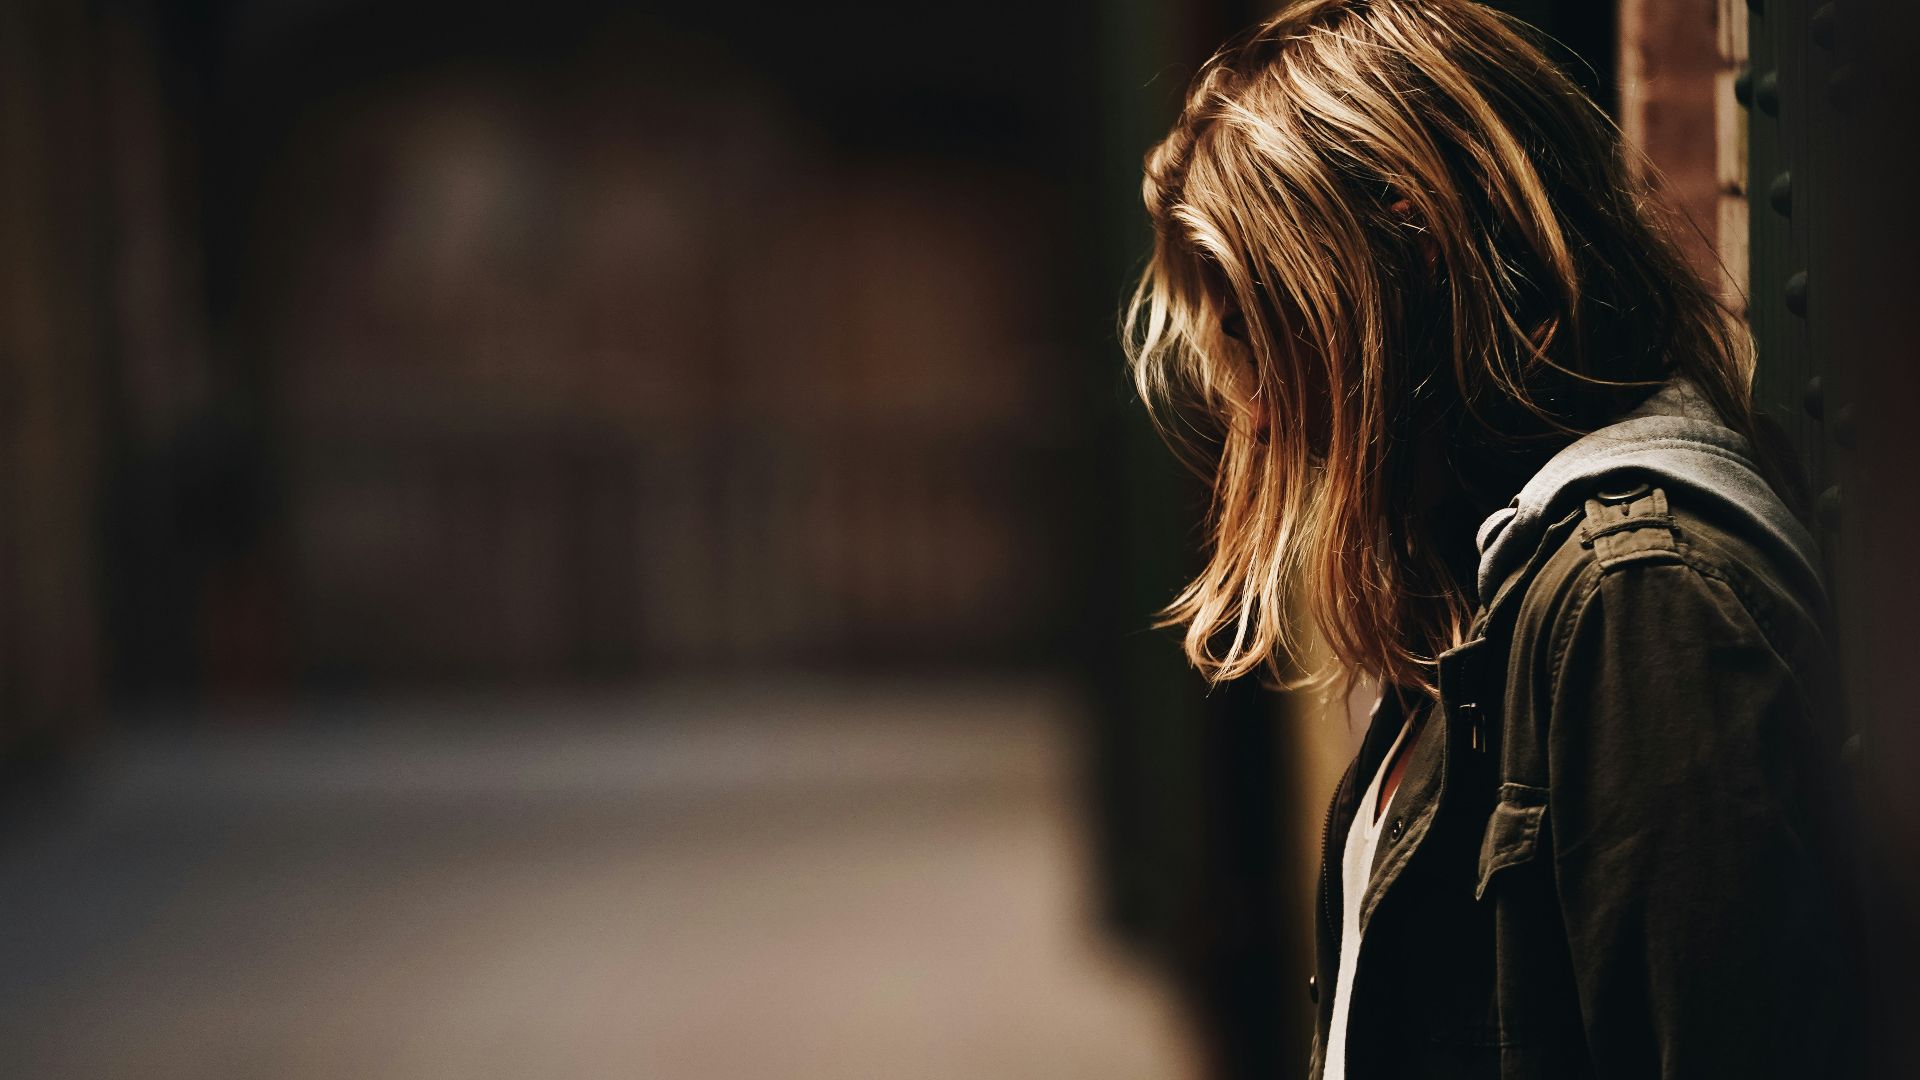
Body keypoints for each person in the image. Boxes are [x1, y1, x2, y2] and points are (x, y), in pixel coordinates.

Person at [1121, 1, 1866, 1077]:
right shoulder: (1495, 580)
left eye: (1257, 318)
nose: (1261, 412)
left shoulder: (1641, 599)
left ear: (1410, 236)